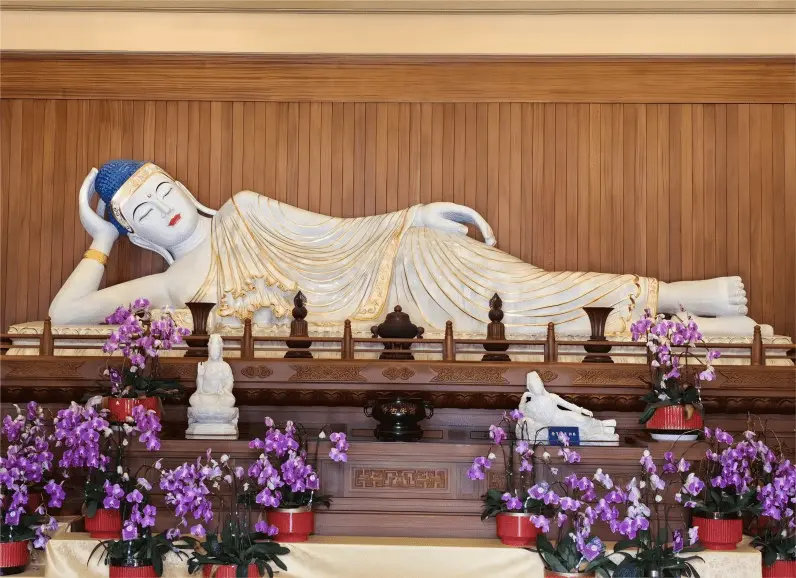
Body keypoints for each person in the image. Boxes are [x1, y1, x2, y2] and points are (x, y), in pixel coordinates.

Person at [50, 159, 759, 337]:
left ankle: (672, 297)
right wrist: (101, 241)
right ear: (138, 231)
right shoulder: (172, 288)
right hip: (381, 319)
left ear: (184, 187)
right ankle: (683, 325)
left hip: (398, 266)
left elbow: (340, 231)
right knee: (530, 321)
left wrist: (414, 215)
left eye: (165, 189)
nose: (165, 208)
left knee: (523, 294)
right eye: (144, 212)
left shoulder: (243, 211)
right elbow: (62, 316)